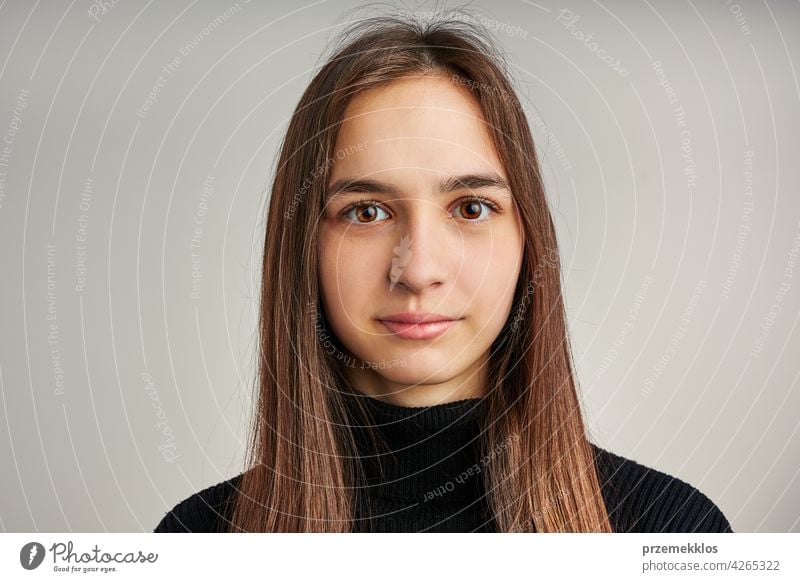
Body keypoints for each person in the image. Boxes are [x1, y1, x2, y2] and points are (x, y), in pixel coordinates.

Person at [154, 14, 732, 533]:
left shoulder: (672, 531)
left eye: (471, 207)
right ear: (302, 245)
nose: (419, 270)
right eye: (367, 212)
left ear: (528, 241)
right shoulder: (199, 538)